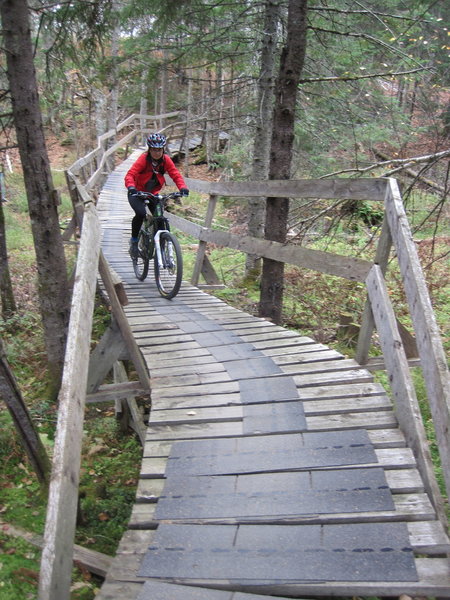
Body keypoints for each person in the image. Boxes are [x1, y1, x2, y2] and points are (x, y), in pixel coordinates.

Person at [124, 132, 189, 258]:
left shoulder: (166, 160)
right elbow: (130, 174)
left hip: (152, 193)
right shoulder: (143, 159)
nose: (157, 153)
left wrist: (182, 188)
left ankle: (160, 247)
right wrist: (131, 187)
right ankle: (134, 241)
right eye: (154, 150)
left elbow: (175, 174)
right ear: (150, 149)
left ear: (163, 149)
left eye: (159, 150)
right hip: (136, 192)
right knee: (141, 214)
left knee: (159, 218)